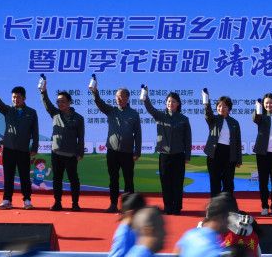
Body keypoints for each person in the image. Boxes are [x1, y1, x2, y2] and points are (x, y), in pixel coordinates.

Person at [0, 83, 39, 210]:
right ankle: (7, 200)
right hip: (9, 149)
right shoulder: (8, 110)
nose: (15, 99)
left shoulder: (31, 113)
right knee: (8, 176)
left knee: (24, 177)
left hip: (23, 150)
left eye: (18, 97)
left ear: (24, 98)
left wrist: (34, 148)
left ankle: (27, 200)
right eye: (14, 97)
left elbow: (35, 132)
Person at [90, 84, 142, 213]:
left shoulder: (134, 114)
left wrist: (137, 151)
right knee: (113, 179)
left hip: (127, 152)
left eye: (121, 96)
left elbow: (138, 134)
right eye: (117, 96)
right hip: (112, 151)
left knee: (128, 180)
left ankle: (128, 207)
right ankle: (113, 204)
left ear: (127, 98)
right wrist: (95, 92)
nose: (118, 99)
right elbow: (99, 102)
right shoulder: (111, 111)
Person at [142, 88, 191, 215]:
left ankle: (177, 207)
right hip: (164, 155)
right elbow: (150, 108)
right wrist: (145, 96)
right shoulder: (160, 116)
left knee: (178, 182)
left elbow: (187, 139)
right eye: (169, 101)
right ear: (166, 103)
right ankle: (168, 207)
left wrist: (187, 156)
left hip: (179, 155)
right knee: (165, 182)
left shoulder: (183, 119)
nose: (171, 103)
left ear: (178, 104)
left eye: (173, 101)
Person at [40, 81, 85, 211]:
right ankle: (57, 203)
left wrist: (80, 153)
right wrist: (43, 91)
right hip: (56, 153)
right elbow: (47, 103)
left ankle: (75, 204)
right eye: (58, 101)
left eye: (63, 101)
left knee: (73, 179)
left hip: (71, 154)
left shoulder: (79, 118)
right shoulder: (55, 114)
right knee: (57, 179)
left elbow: (81, 137)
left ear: (69, 102)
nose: (60, 103)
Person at [204, 94, 242, 197]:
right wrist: (206, 100)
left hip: (229, 153)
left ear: (229, 108)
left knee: (228, 182)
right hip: (214, 153)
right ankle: (215, 205)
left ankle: (228, 204)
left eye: (224, 106)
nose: (221, 108)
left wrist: (238, 160)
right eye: (219, 106)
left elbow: (238, 142)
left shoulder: (234, 123)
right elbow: (208, 113)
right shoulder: (213, 119)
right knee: (215, 181)